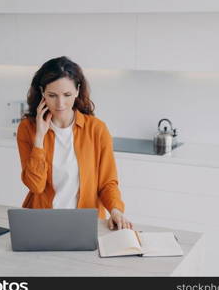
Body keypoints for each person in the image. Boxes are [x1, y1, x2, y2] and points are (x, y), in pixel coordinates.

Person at [17, 56, 133, 230]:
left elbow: (107, 182)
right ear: (42, 92)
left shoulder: (96, 129)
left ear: (78, 90)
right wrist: (39, 138)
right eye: (52, 95)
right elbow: (36, 186)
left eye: (67, 95)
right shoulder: (28, 128)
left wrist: (116, 210)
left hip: (84, 224)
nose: (60, 103)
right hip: (42, 221)